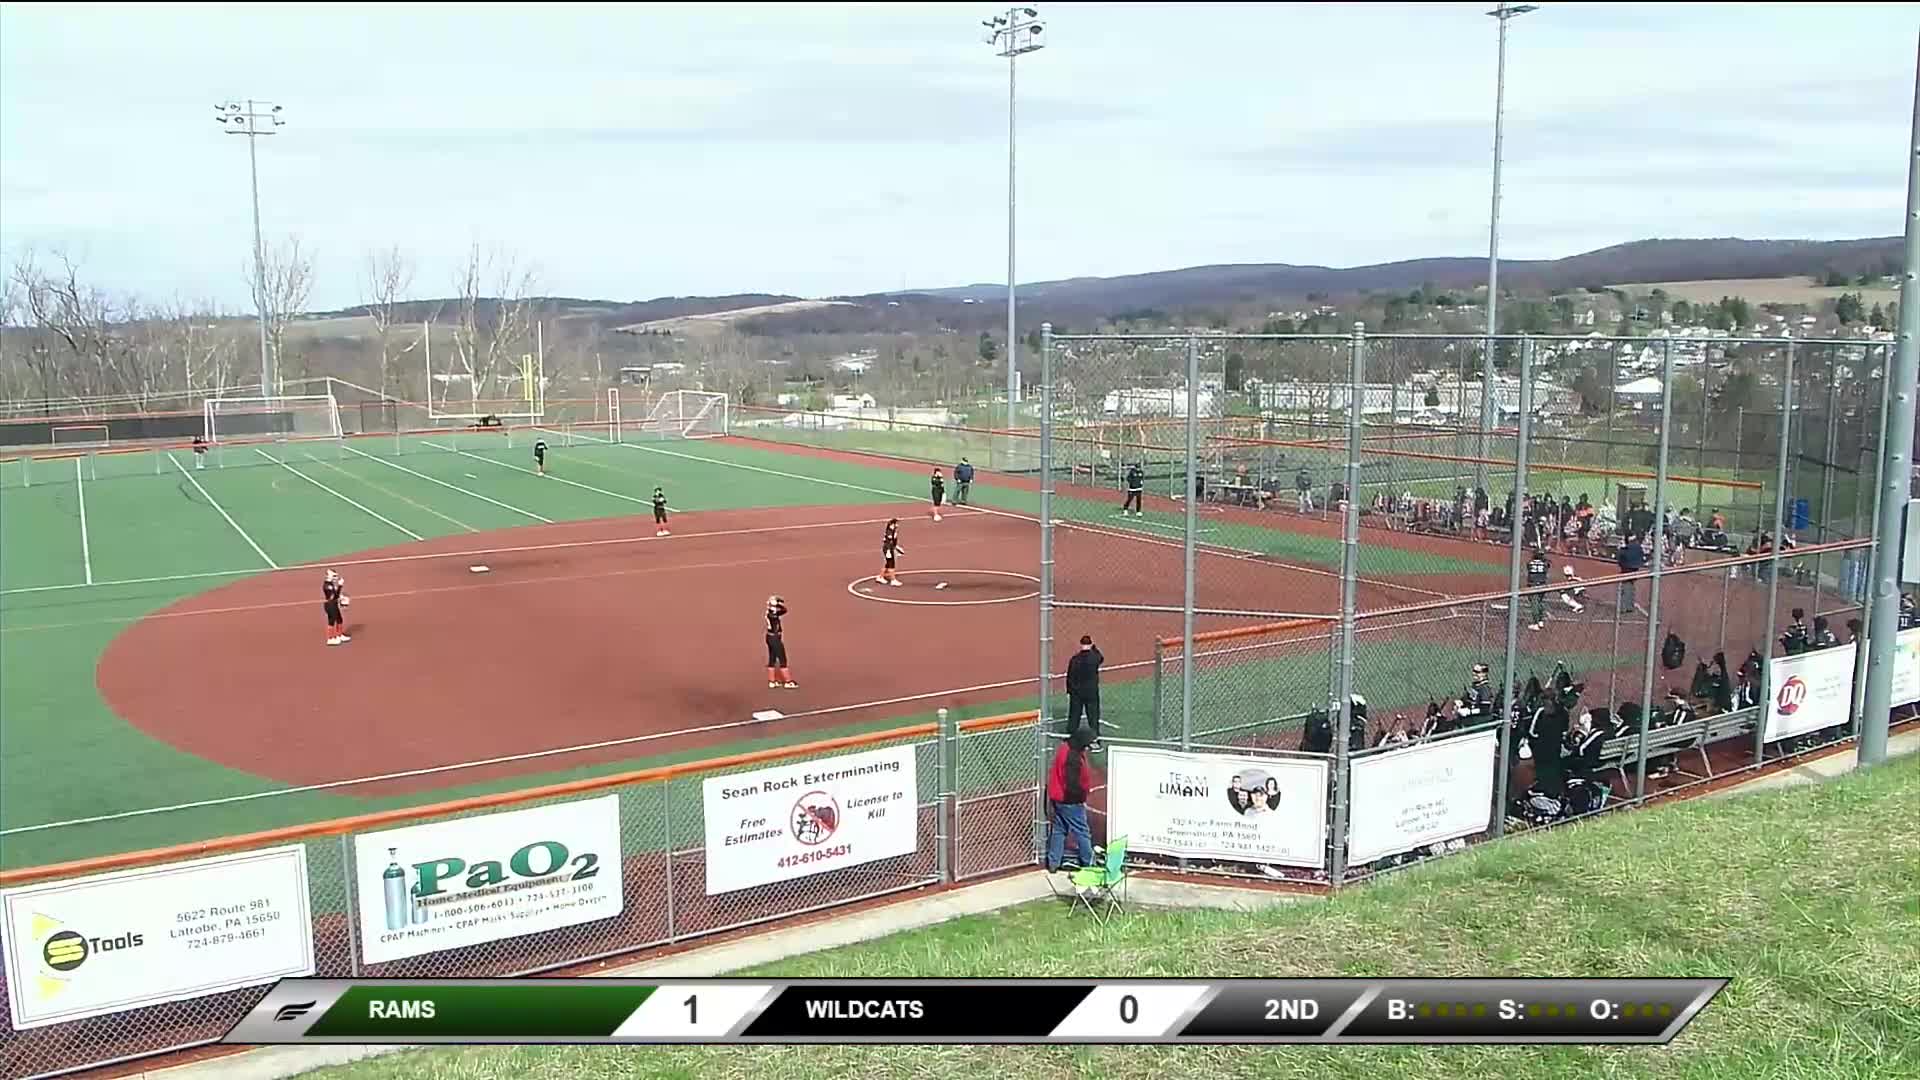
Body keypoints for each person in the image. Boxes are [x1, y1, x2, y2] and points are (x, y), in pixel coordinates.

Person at [1045, 727, 1097, 873]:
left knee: (1060, 829)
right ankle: (1089, 863)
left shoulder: (1065, 747)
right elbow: (1072, 784)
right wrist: (1080, 798)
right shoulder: (1072, 757)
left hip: (1059, 797)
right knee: (1082, 831)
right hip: (1069, 800)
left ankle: (1053, 862)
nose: (1088, 747)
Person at [1065, 635, 1105, 748]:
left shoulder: (1075, 659)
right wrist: (1095, 647)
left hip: (1077, 693)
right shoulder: (1094, 658)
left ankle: (1071, 737)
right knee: (1093, 715)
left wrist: (1070, 690)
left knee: (1074, 715)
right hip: (1091, 692)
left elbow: (1069, 676)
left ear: (1081, 644)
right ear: (1090, 644)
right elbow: (1101, 657)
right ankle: (1095, 739)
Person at [764, 595, 795, 689]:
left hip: (770, 637)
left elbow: (783, 611)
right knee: (783, 660)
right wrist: (778, 605)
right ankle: (788, 682)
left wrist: (776, 603)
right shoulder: (772, 615)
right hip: (775, 639)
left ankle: (772, 681)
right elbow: (782, 611)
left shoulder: (769, 612)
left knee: (772, 659)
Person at [1617, 532, 1646, 613]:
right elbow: (1642, 557)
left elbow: (1620, 558)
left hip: (1627, 568)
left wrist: (1620, 549)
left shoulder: (1626, 548)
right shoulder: (1638, 546)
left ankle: (1623, 607)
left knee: (1625, 587)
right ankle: (1630, 606)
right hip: (1635, 568)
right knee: (1631, 586)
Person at [322, 569, 351, 647]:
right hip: (330, 605)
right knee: (331, 621)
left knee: (339, 620)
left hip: (334, 604)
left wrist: (341, 597)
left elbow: (336, 595)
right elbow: (334, 596)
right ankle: (330, 639)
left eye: (336, 576)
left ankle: (339, 635)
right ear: (328, 575)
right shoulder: (327, 586)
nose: (336, 577)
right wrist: (340, 585)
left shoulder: (331, 584)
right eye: (334, 576)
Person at [1526, 547, 1550, 631]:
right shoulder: (1545, 563)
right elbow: (1548, 565)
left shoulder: (1530, 563)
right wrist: (1543, 558)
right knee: (1540, 602)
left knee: (1534, 604)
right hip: (1542, 585)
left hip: (1533, 585)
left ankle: (1536, 623)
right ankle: (1540, 620)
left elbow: (1529, 567)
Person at [880, 518, 904, 586]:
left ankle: (880, 577)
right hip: (888, 549)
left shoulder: (893, 531)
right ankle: (893, 580)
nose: (897, 525)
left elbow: (893, 542)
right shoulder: (889, 532)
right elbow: (888, 542)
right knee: (891, 565)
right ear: (892, 524)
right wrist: (888, 551)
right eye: (896, 523)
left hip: (890, 548)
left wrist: (897, 548)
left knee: (887, 564)